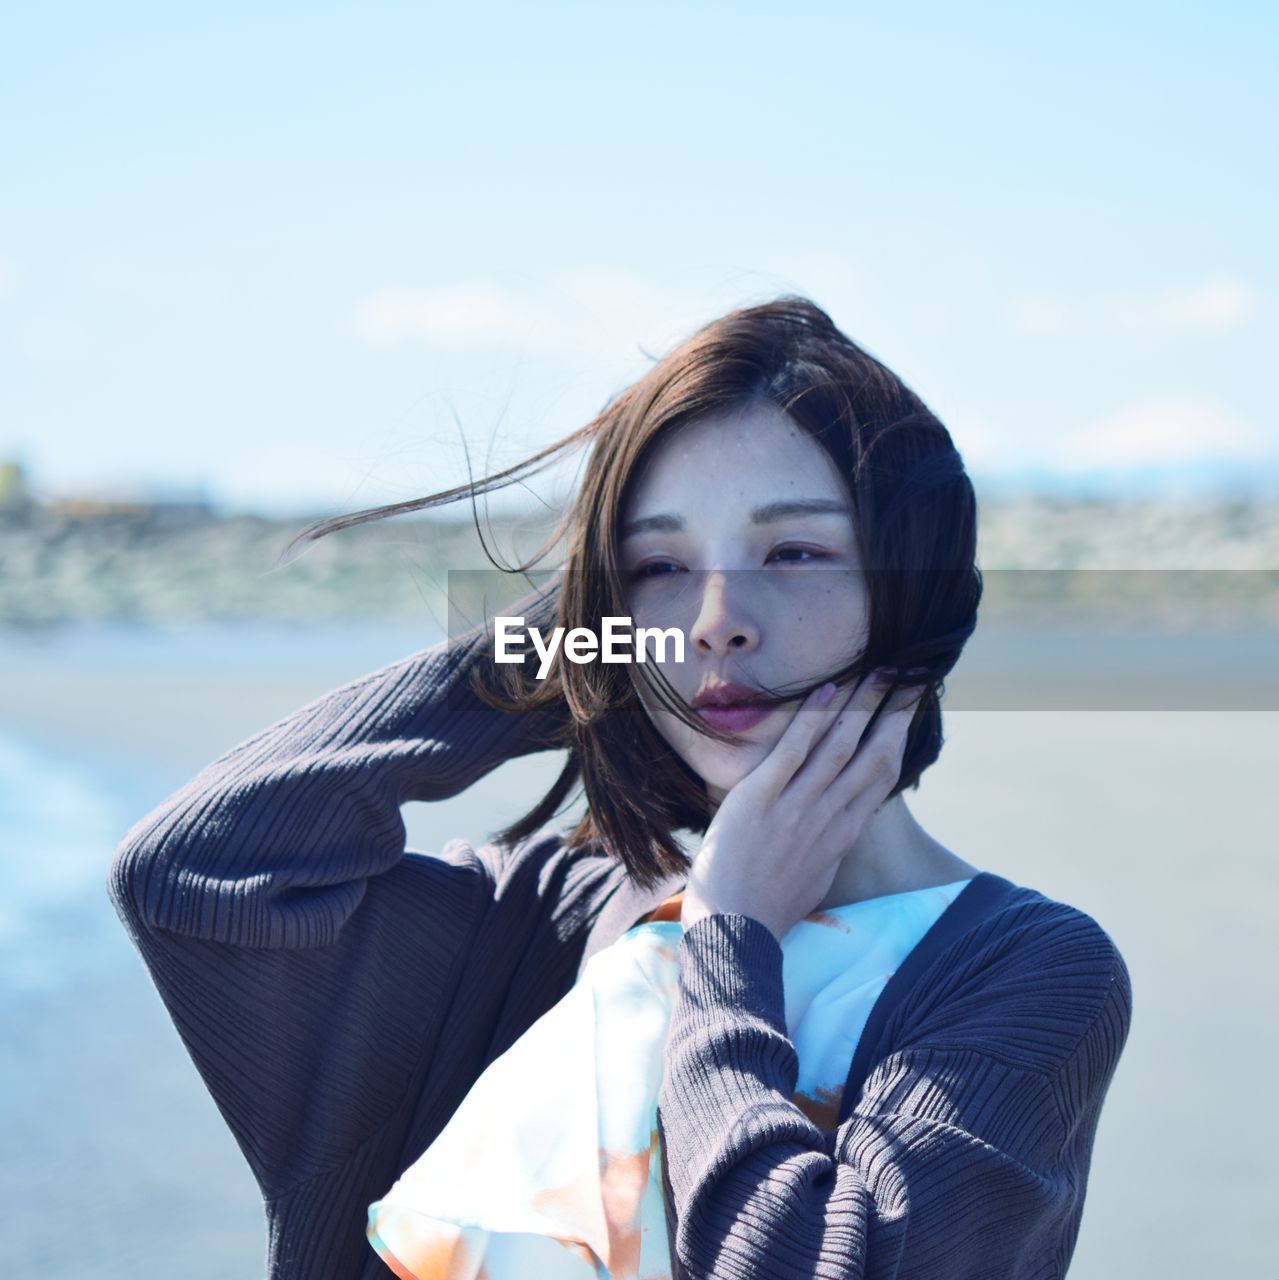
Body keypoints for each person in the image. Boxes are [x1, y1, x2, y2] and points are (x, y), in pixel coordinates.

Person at [107, 296, 1131, 1279]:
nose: (715, 620)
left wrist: (733, 938)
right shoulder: (558, 909)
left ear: (906, 591)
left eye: (794, 551)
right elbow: (193, 871)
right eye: (658, 566)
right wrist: (580, 640)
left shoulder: (1026, 970)